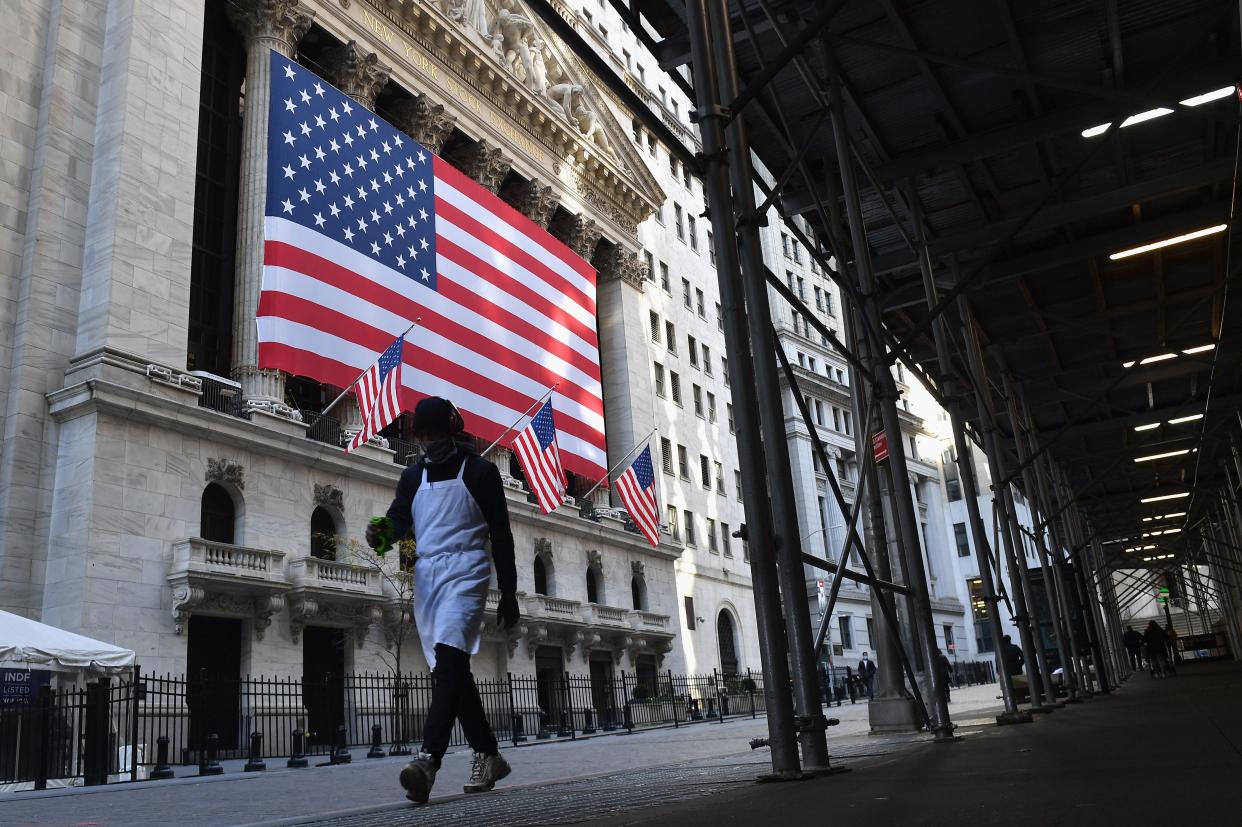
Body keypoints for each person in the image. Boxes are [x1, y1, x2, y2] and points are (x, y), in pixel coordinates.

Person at [367, 397, 520, 804]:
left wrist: (508, 591)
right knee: (452, 674)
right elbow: (398, 521)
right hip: (428, 577)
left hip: (469, 572)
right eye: (423, 434)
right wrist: (379, 534)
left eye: (435, 434)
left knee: (450, 662)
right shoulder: (412, 477)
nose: (429, 441)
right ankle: (489, 755)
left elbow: (501, 534)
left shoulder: (482, 472)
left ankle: (427, 762)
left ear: (451, 431)